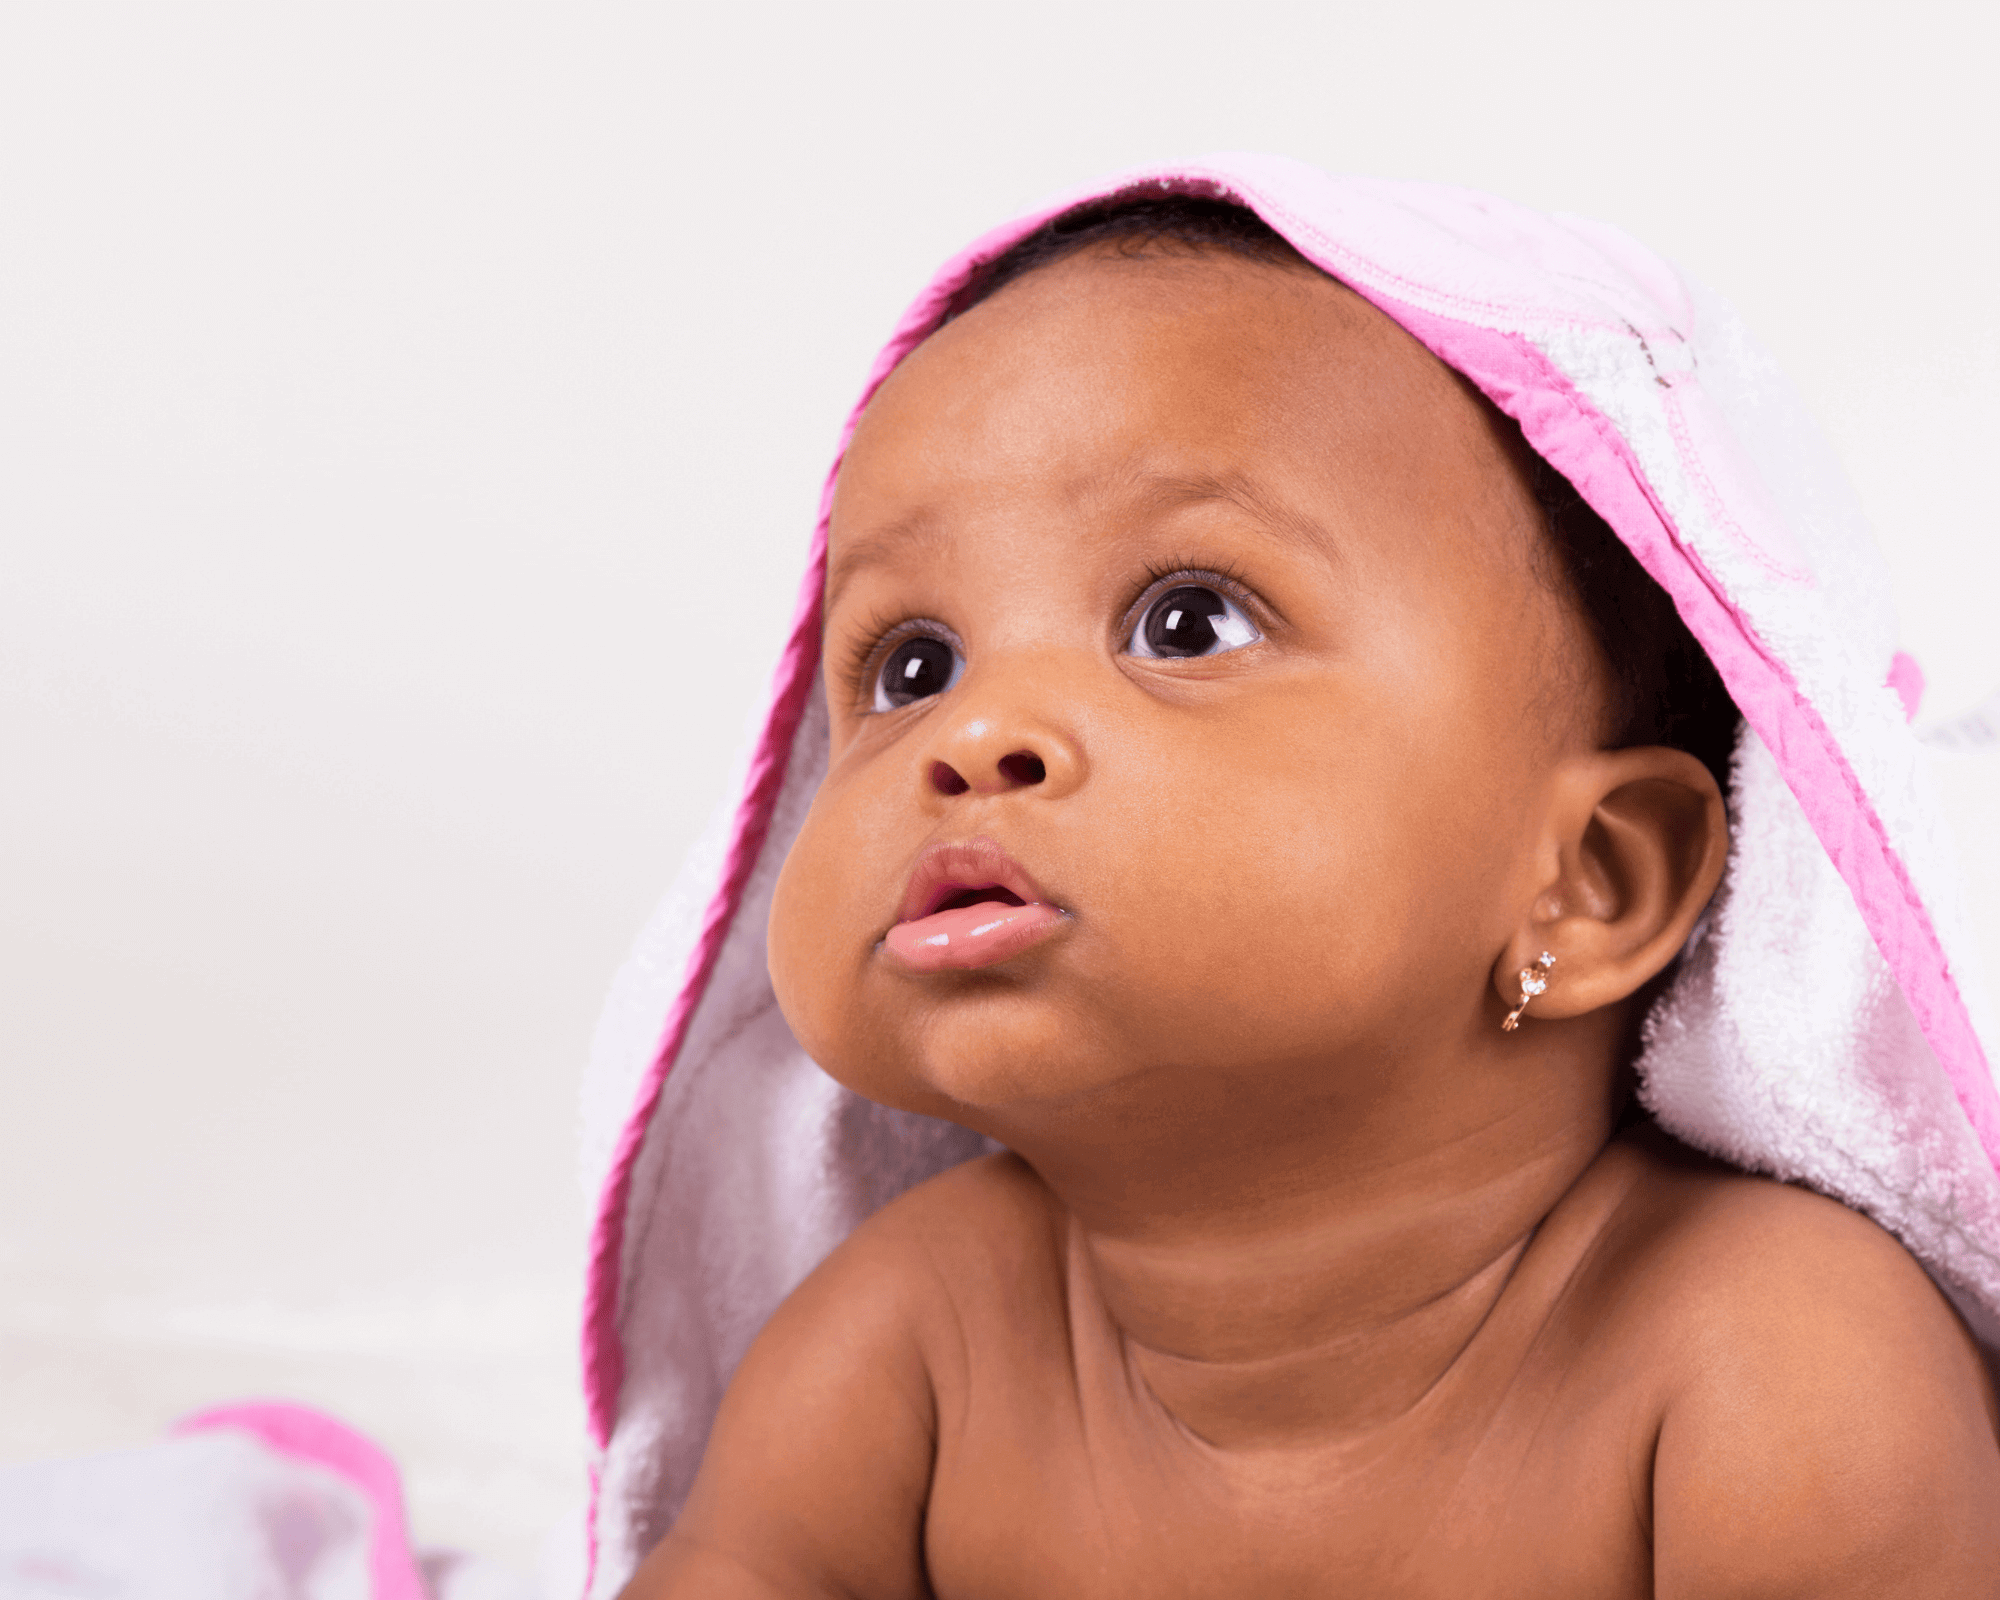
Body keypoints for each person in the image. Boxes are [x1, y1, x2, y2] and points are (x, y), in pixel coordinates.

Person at [588, 162, 2000, 1597]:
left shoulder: (1762, 1366)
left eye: (1186, 622)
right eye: (910, 666)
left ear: (1589, 883)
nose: (973, 732)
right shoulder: (911, 1343)